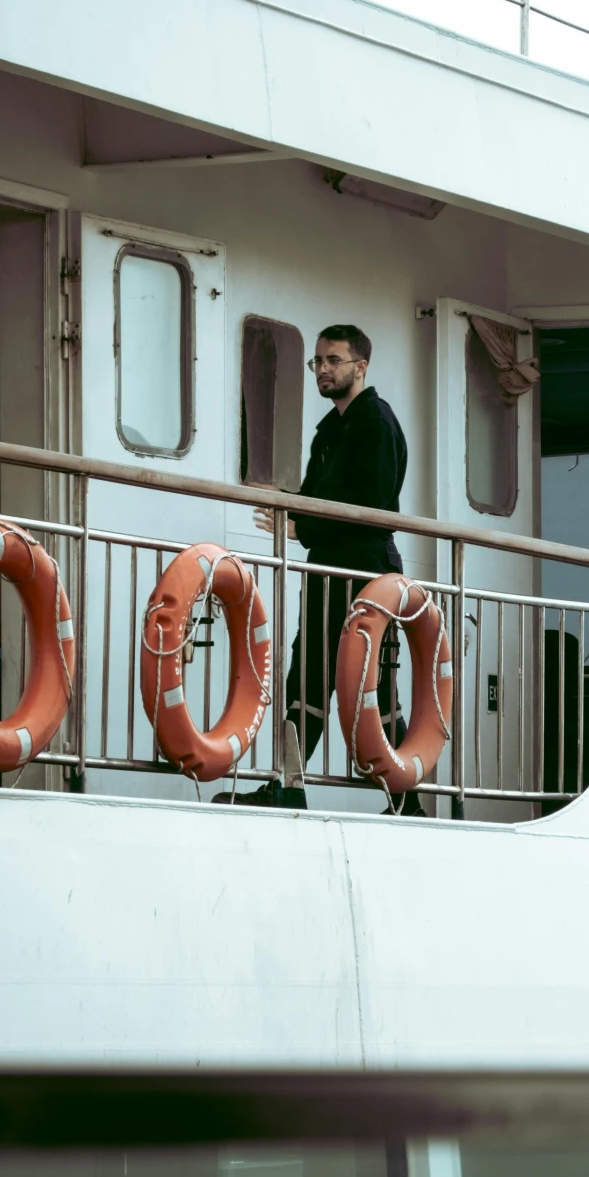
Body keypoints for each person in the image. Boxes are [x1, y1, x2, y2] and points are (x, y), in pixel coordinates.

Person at [233, 323, 418, 812]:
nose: (322, 369)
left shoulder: (375, 422)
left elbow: (371, 506)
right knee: (306, 679)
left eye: (333, 360)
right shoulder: (329, 430)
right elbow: (323, 499)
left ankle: (407, 799)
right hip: (330, 571)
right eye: (317, 361)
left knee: (372, 684)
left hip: (364, 572)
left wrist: (301, 528)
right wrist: (287, 504)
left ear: (361, 366)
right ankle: (288, 786)